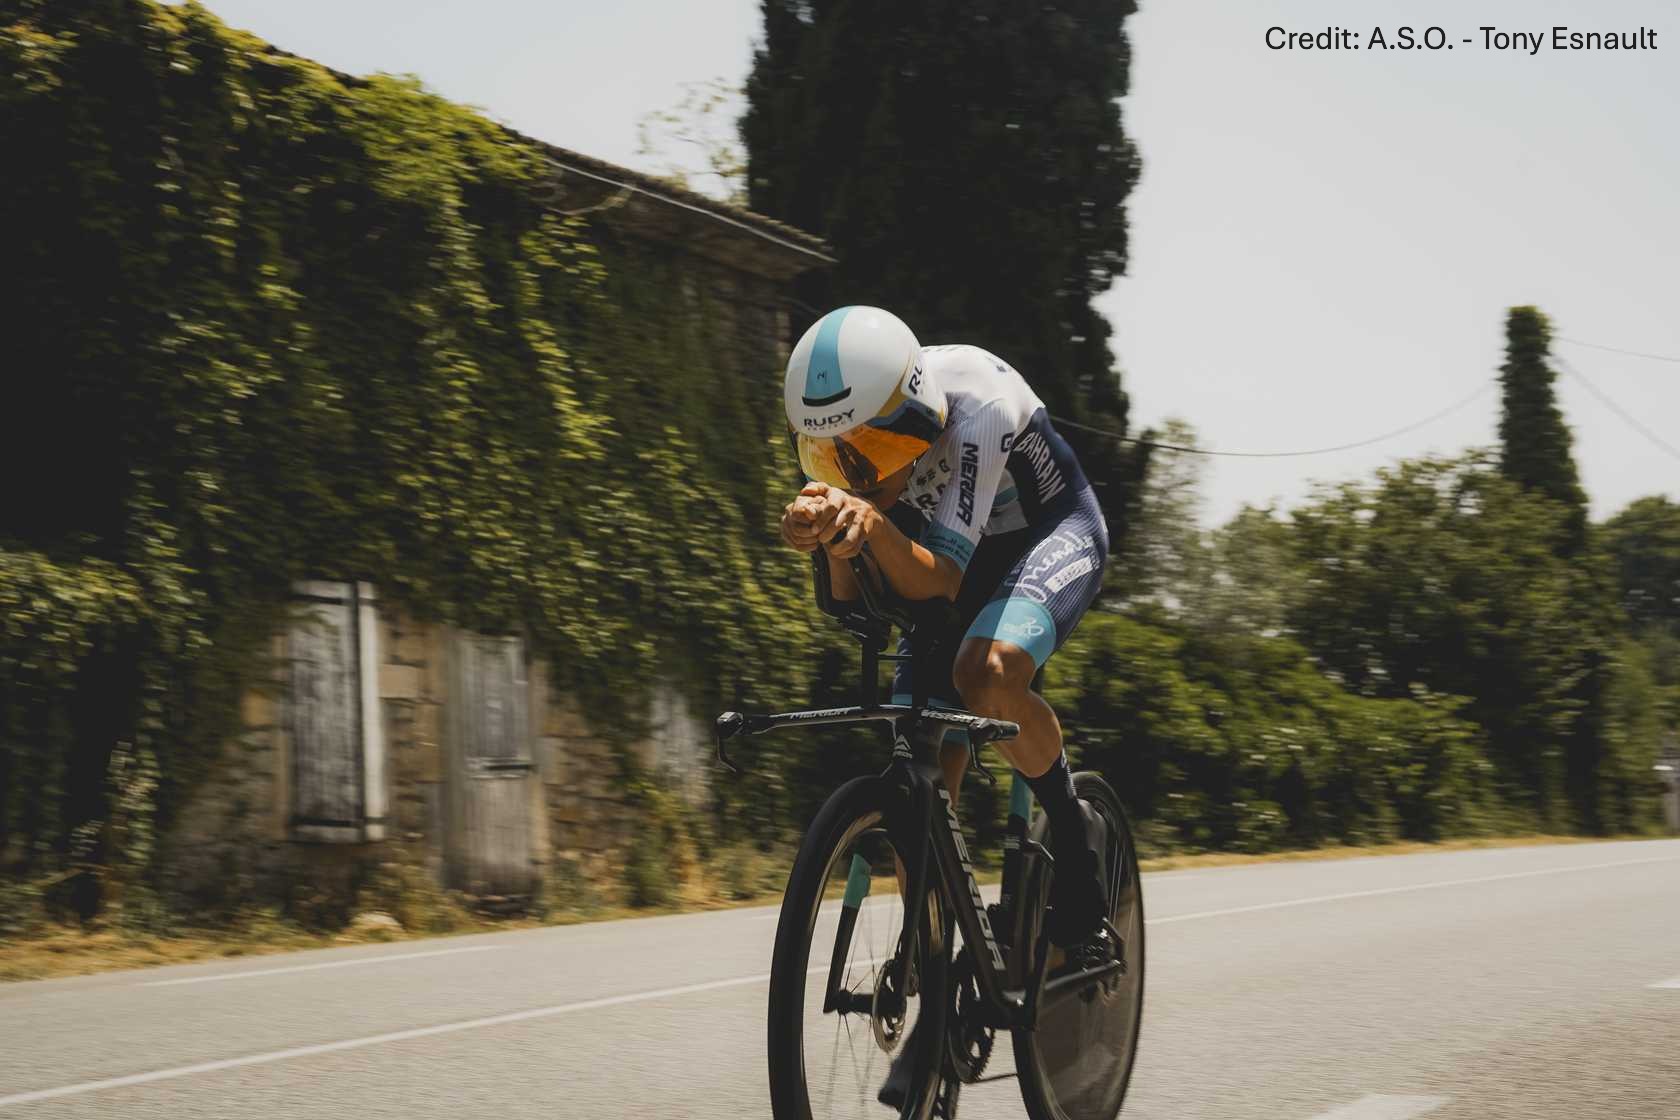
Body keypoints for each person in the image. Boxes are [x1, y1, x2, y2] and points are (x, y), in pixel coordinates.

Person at [778, 305, 1112, 1103]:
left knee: (984, 672)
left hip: (1044, 534)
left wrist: (864, 521)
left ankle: (1071, 830)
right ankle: (944, 982)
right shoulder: (870, 433)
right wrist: (830, 543)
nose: (853, 470)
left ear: (911, 417)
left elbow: (942, 582)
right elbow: (856, 607)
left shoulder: (975, 408)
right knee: (922, 771)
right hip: (947, 552)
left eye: (867, 453)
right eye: (829, 454)